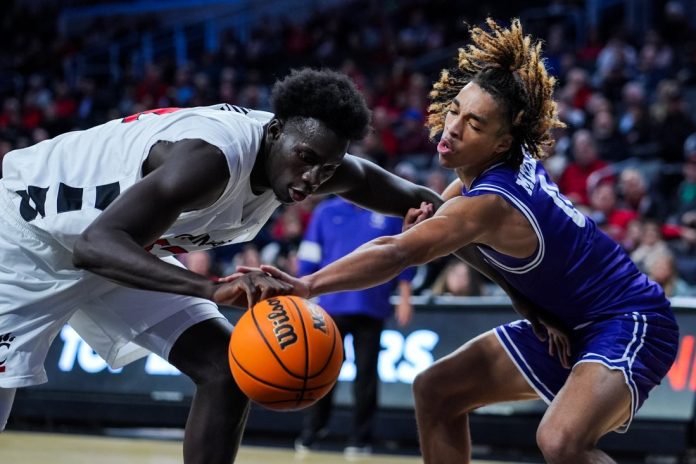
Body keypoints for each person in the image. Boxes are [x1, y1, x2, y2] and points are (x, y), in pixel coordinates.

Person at [242, 20, 679, 463]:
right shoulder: (491, 169)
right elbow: (438, 222)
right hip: (563, 324)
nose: (452, 128)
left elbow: (398, 251)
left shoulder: (490, 203)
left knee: (561, 441)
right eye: (454, 110)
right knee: (437, 390)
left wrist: (308, 285)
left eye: (474, 124)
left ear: (502, 142)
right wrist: (527, 303)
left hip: (628, 318)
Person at [0, 68, 442, 464]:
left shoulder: (311, 156)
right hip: (26, 237)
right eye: (307, 159)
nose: (312, 179)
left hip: (117, 243)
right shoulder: (212, 159)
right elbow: (95, 245)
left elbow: (418, 200)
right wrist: (209, 288)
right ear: (275, 131)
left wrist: (461, 220)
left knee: (226, 368)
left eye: (327, 169)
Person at [293, 196, 415, 456]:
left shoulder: (389, 210)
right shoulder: (326, 211)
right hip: (330, 307)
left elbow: (404, 254)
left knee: (366, 376)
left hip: (371, 305)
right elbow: (309, 256)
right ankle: (312, 431)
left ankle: (361, 438)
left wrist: (405, 297)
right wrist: (300, 295)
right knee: (322, 372)